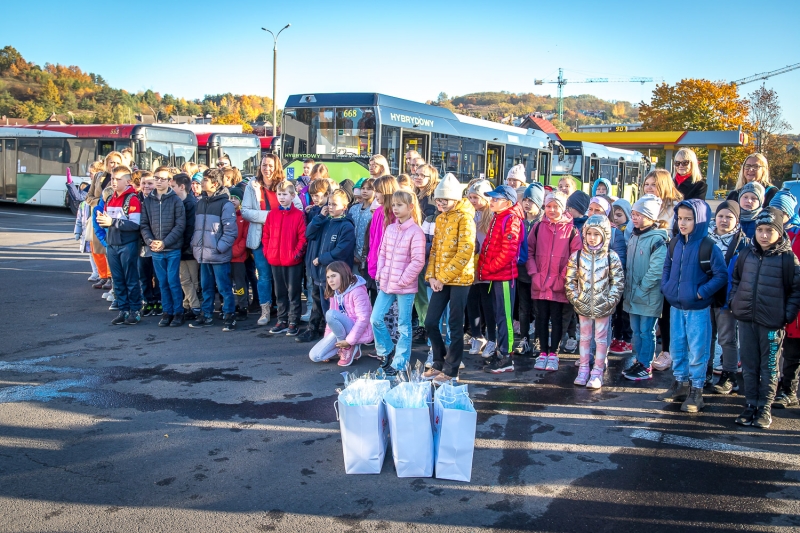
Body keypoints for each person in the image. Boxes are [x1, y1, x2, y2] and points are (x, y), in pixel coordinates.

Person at [730, 207, 800, 428]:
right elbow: (736, 281)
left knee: (769, 367)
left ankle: (764, 409)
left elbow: (796, 291)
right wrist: (735, 302)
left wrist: (786, 315)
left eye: (769, 230)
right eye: (760, 229)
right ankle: (750, 404)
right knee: (750, 365)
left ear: (779, 232)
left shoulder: (789, 259)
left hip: (771, 323)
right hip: (746, 320)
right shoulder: (746, 254)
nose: (764, 235)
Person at [658, 199, 728, 412]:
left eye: (689, 219)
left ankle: (696, 392)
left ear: (700, 220)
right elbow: (667, 267)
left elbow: (721, 275)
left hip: (698, 308)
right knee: (677, 347)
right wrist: (667, 287)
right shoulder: (675, 243)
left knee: (697, 349)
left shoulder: (708, 247)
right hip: (676, 305)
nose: (683, 223)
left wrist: (700, 293)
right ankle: (679, 384)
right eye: (680, 218)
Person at [422, 173, 476, 384]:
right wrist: (432, 276)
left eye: (444, 199)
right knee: (430, 322)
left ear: (455, 198)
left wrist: (442, 278)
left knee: (455, 324)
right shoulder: (441, 218)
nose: (440, 203)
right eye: (438, 199)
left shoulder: (465, 218)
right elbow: (434, 250)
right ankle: (438, 361)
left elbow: (465, 252)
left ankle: (452, 369)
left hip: (460, 280)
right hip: (441, 279)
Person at [565, 214, 625, 389]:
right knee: (583, 338)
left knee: (600, 339)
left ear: (604, 235)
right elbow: (570, 281)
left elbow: (618, 282)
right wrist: (576, 299)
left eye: (596, 234)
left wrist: (609, 301)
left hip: (603, 306)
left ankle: (597, 371)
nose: (592, 238)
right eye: (589, 233)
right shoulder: (576, 257)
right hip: (583, 305)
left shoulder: (611, 257)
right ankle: (583, 369)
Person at [241, 154, 301, 327]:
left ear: (276, 167)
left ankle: (285, 311)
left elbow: (298, 207)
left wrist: (280, 218)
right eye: (264, 165)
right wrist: (271, 216)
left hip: (283, 237)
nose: (266, 168)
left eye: (270, 165)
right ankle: (265, 310)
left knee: (282, 277)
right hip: (261, 237)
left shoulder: (284, 184)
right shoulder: (252, 185)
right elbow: (245, 211)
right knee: (265, 276)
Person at [370, 190, 426, 374]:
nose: (395, 208)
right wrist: (381, 272)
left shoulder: (416, 232)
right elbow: (382, 253)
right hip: (387, 283)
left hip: (404, 286)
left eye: (399, 205)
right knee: (375, 318)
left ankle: (400, 363)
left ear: (410, 207)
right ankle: (386, 351)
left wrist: (403, 280)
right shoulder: (391, 228)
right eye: (393, 205)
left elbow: (418, 260)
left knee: (404, 325)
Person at [528, 191, 582, 371]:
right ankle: (543, 352)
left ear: (563, 208)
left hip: (559, 283)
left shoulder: (572, 230)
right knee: (542, 318)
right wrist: (534, 273)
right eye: (548, 206)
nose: (551, 210)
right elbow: (529, 251)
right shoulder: (537, 227)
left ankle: (554, 353)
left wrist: (563, 276)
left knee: (558, 319)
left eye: (555, 206)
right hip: (540, 282)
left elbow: (576, 256)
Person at [620, 194, 669, 381]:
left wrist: (641, 289)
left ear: (651, 217)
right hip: (633, 295)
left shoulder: (657, 240)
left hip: (648, 296)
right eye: (633, 213)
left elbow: (656, 271)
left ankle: (646, 364)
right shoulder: (634, 236)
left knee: (646, 331)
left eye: (639, 214)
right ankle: (640, 360)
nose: (634, 217)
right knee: (636, 330)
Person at [478, 185, 525, 374]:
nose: (491, 201)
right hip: (497, 276)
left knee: (505, 317)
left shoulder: (511, 219)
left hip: (504, 276)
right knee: (499, 316)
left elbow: (508, 252)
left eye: (495, 199)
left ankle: (506, 356)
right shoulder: (500, 217)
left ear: (507, 202)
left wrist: (489, 268)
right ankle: (501, 352)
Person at [704, 200, 748, 394]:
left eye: (729, 217)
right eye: (720, 216)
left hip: (727, 298)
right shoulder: (707, 238)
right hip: (706, 294)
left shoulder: (743, 242)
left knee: (727, 338)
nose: (723, 220)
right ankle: (704, 373)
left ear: (736, 220)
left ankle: (729, 376)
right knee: (706, 336)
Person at [642, 169, 683, 371]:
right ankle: (644, 352)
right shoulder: (642, 205)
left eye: (654, 184)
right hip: (644, 265)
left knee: (666, 312)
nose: (649, 188)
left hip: (668, 266)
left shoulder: (675, 209)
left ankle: (666, 351)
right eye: (647, 184)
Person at [189, 169, 238, 331]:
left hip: (217, 254)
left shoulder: (225, 204)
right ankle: (207, 314)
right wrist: (196, 245)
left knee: (224, 287)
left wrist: (219, 248)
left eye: (205, 180)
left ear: (215, 184)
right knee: (206, 287)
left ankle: (229, 315)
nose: (201, 183)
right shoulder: (201, 202)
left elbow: (231, 231)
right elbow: (197, 228)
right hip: (204, 254)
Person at [96, 166, 143, 325]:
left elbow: (135, 224)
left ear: (128, 181)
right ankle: (123, 310)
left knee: (130, 279)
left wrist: (112, 222)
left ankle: (135, 310)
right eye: (112, 179)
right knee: (118, 279)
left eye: (118, 179)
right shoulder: (109, 198)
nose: (113, 182)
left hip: (127, 244)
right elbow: (108, 221)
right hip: (113, 244)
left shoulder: (132, 199)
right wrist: (103, 220)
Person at [140, 166, 186, 327]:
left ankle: (178, 312)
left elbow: (180, 226)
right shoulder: (148, 201)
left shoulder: (175, 201)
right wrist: (150, 241)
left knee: (173, 281)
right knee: (162, 282)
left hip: (172, 249)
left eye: (163, 178)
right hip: (155, 250)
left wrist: (164, 242)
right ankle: (167, 312)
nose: (159, 181)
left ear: (169, 181)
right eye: (157, 178)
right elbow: (144, 224)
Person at [306, 189, 356, 332]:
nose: (331, 207)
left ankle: (338, 337)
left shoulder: (346, 226)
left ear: (344, 207)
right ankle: (321, 332)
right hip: (320, 273)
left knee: (333, 310)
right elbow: (309, 233)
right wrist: (320, 217)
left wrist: (321, 259)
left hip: (334, 275)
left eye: (335, 204)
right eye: (329, 204)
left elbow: (341, 251)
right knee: (321, 306)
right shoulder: (324, 221)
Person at [262, 181, 307, 336]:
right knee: (280, 291)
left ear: (292, 196)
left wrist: (296, 254)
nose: (281, 197)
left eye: (284, 194)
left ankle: (293, 320)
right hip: (275, 259)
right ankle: (282, 320)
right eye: (279, 194)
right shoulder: (272, 214)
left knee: (293, 292)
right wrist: (268, 252)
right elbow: (266, 235)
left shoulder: (299, 215)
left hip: (292, 260)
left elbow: (303, 238)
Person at [310, 262, 374, 365]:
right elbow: (330, 323)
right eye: (328, 277)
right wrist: (326, 341)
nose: (330, 280)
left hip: (355, 329)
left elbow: (363, 318)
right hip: (341, 331)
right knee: (315, 356)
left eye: (333, 276)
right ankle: (351, 349)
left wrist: (349, 341)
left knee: (331, 314)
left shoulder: (357, 291)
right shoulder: (335, 293)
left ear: (343, 274)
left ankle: (348, 347)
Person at [770, 190, 800, 409]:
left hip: (795, 302)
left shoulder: (797, 235)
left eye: (781, 212)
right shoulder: (771, 234)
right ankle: (784, 388)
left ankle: (790, 390)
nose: (777, 215)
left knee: (793, 351)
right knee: (784, 351)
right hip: (778, 301)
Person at [465, 179, 496, 357]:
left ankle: (492, 337)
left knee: (488, 303)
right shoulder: (470, 214)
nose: (472, 201)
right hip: (472, 264)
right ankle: (477, 335)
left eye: (476, 197)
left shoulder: (491, 215)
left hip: (488, 264)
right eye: (470, 197)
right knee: (471, 301)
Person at [514, 182, 545, 356]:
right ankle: (524, 339)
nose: (527, 203)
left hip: (538, 273)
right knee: (523, 308)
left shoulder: (542, 223)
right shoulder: (520, 221)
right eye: (525, 199)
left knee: (538, 309)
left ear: (539, 203)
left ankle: (539, 340)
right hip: (522, 273)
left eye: (531, 200)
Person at [412, 164, 441, 345]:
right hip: (416, 247)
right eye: (417, 174)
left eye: (423, 175)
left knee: (424, 291)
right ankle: (423, 323)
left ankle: (425, 325)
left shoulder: (431, 201)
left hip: (425, 250)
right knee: (419, 291)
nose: (418, 177)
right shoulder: (416, 195)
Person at [170, 173, 201, 320]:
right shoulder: (183, 202)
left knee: (190, 279)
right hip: (183, 246)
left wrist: (182, 244)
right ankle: (190, 305)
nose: (171, 189)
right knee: (186, 279)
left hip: (188, 247)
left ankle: (192, 305)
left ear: (182, 187)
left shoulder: (190, 203)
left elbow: (189, 228)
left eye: (173, 187)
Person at [228, 185, 250, 321]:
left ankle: (243, 305)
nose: (232, 201)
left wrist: (236, 251)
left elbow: (244, 238)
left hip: (238, 257)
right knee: (226, 283)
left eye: (235, 198)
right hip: (225, 256)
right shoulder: (225, 215)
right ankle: (229, 304)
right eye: (230, 198)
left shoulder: (243, 217)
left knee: (240, 284)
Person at [349, 177, 375, 277]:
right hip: (351, 253)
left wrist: (362, 256)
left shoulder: (375, 211)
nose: (364, 191)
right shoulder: (353, 209)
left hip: (367, 255)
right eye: (363, 188)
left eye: (369, 189)